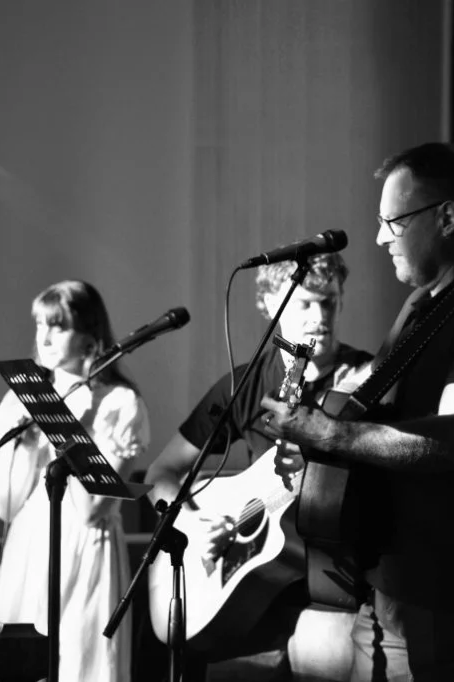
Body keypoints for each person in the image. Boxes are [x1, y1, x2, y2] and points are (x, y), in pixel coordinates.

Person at [261, 142, 454, 682]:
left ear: (447, 217)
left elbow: (451, 441)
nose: (379, 238)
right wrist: (319, 461)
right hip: (392, 590)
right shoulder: (426, 304)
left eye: (393, 222)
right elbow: (382, 421)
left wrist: (330, 436)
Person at [145, 253, 372, 681]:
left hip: (331, 583)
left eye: (329, 302)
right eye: (305, 303)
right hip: (249, 588)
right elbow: (162, 471)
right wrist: (191, 525)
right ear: (272, 305)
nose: (320, 317)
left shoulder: (366, 380)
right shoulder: (244, 384)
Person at [0, 280, 151, 682]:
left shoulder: (119, 403)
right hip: (30, 543)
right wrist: (23, 445)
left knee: (77, 663)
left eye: (57, 326)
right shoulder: (23, 397)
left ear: (90, 336)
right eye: (40, 324)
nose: (44, 337)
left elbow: (94, 509)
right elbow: (4, 506)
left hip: (86, 547)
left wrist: (66, 430)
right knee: (15, 664)